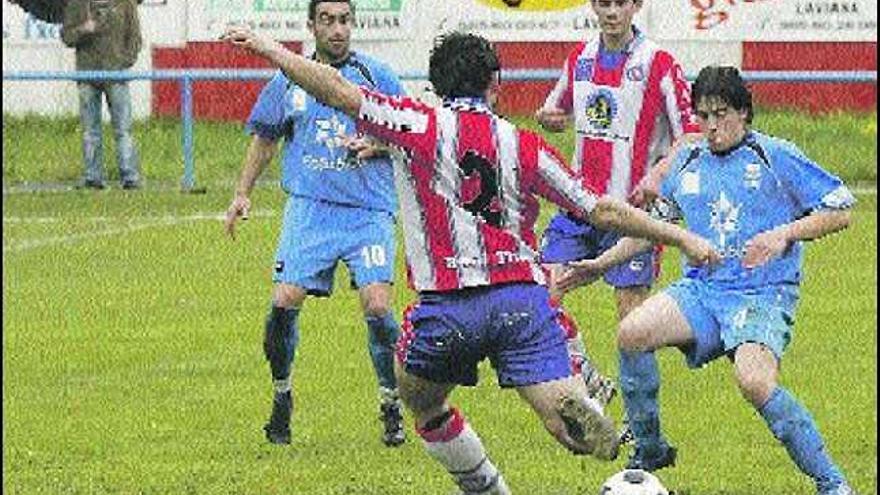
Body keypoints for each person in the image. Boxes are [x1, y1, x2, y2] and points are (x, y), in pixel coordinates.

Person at [222, 26, 721, 493]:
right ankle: (578, 411)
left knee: (423, 403)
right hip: (522, 305)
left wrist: (269, 49)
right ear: (495, 83)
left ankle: (491, 486)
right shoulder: (523, 143)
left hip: (448, 310)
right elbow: (603, 210)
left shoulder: (416, 121)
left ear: (436, 85)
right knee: (568, 428)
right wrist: (677, 236)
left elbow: (334, 89)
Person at [558, 66, 859, 495]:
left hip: (762, 293)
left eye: (721, 114)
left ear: (744, 112)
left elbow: (840, 209)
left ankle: (831, 482)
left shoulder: (776, 155)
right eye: (703, 116)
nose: (712, 126)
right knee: (632, 332)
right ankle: (650, 451)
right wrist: (601, 263)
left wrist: (784, 233)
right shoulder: (687, 160)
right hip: (702, 291)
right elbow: (655, 228)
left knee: (755, 383)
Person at [223, 0, 408, 447]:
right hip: (310, 209)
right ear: (312, 26)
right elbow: (266, 136)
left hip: (368, 211)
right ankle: (282, 395)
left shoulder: (377, 76)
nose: (337, 29)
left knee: (379, 306)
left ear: (353, 25)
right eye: (327, 20)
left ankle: (391, 401)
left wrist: (376, 145)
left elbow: (409, 133)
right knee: (284, 302)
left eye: (344, 20)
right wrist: (242, 192)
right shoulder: (289, 79)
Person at [534, 0, 701, 420]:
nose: (612, 11)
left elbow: (691, 136)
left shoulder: (659, 63)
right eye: (604, 3)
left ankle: (638, 421)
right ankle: (588, 379)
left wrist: (659, 174)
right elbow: (556, 108)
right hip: (579, 205)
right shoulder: (580, 58)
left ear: (636, 5)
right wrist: (549, 117)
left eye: (620, 2)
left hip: (633, 211)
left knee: (631, 320)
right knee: (541, 291)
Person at [61, 0, 143, 190]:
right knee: (90, 131)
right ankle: (93, 178)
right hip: (87, 74)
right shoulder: (77, 4)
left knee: (123, 130)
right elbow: (66, 36)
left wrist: (124, 62)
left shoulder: (125, 4)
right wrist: (83, 30)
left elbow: (135, 37)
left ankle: (130, 177)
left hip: (116, 75)